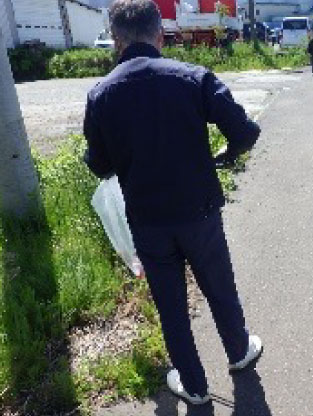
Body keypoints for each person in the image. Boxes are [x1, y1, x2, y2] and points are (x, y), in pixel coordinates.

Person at [83, 0, 263, 405]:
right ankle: (239, 353)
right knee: (219, 287)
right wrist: (225, 156)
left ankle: (195, 389)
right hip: (199, 210)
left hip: (147, 220)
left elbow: (99, 166)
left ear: (116, 41)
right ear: (160, 34)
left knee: (171, 305)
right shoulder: (193, 77)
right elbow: (246, 132)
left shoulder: (100, 95)